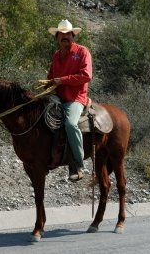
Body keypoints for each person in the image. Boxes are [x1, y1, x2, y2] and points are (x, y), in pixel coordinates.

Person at [47, 19, 92, 181]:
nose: (65, 37)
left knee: (71, 124)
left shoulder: (82, 52)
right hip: (57, 97)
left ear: (73, 36)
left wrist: (62, 80)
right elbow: (51, 77)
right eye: (61, 34)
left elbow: (86, 76)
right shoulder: (56, 55)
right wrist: (47, 85)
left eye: (68, 34)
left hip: (75, 98)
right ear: (57, 37)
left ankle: (78, 164)